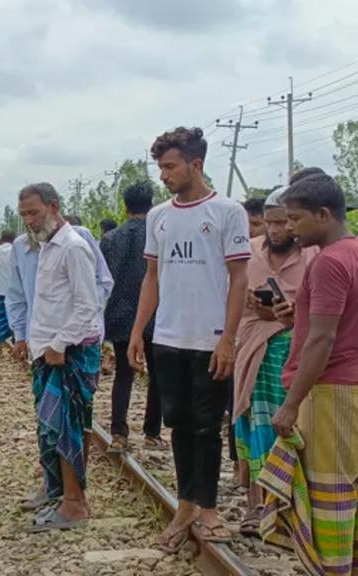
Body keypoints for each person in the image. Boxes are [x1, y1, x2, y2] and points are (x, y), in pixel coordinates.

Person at [128, 127, 250, 551]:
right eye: (160, 167)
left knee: (206, 426)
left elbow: (239, 280)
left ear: (195, 165)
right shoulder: (159, 216)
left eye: (169, 166)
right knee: (177, 422)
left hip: (210, 339)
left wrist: (229, 339)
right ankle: (185, 504)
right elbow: (153, 277)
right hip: (169, 337)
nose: (163, 175)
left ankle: (210, 508)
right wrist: (139, 331)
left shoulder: (227, 211)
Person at [254, 171, 358, 574]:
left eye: (296, 219)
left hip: (330, 392)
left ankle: (332, 568)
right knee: (350, 486)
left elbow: (321, 340)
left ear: (324, 214)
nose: (290, 228)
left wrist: (291, 404)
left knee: (330, 494)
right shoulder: (352, 252)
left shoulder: (329, 263)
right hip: (348, 388)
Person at [230, 187, 316, 537]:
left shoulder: (312, 254)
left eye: (284, 222)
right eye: (271, 223)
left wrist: (293, 315)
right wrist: (250, 301)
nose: (278, 230)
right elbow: (231, 294)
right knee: (255, 425)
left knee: (297, 432)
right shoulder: (249, 252)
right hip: (253, 351)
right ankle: (256, 507)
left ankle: (292, 508)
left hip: (297, 354)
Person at [16, 183, 100, 532]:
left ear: (53, 207)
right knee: (52, 428)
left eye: (33, 213)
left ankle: (75, 504)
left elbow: (87, 306)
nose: (29, 221)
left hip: (69, 354)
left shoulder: (74, 247)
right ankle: (59, 492)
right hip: (49, 353)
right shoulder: (48, 246)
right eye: (24, 216)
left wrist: (59, 344)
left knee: (67, 428)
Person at [100, 182, 163, 454]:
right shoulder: (161, 233)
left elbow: (102, 280)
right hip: (158, 314)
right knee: (158, 376)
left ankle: (119, 433)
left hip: (121, 316)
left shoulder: (112, 238)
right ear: (152, 204)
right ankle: (152, 433)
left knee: (123, 376)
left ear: (125, 207)